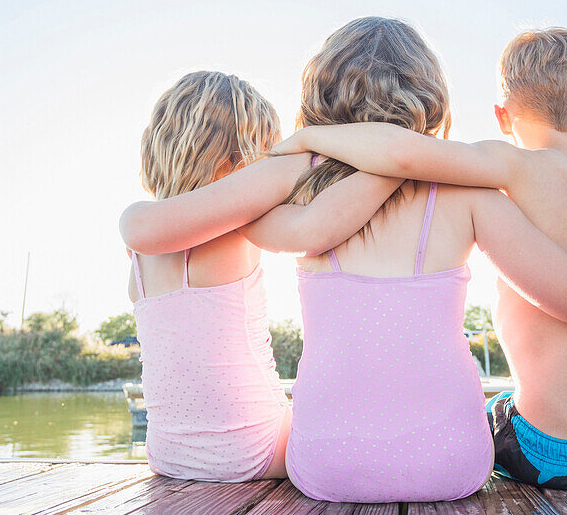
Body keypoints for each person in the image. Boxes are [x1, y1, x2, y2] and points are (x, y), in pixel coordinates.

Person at [273, 27, 567, 490]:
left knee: (495, 410)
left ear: (503, 116)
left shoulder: (512, 167)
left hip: (551, 452)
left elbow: (402, 155)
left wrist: (311, 137)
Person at [122, 70, 399, 481]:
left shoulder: (140, 236)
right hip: (256, 451)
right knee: (370, 416)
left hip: (167, 454)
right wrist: (312, 144)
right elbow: (308, 195)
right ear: (238, 160)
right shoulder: (242, 221)